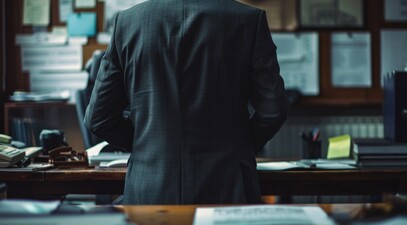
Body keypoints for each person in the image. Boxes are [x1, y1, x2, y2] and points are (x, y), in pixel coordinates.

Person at [85, 0, 288, 204]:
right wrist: (238, 145)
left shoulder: (127, 22)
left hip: (150, 187)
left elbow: (99, 118)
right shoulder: (248, 20)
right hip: (228, 184)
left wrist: (147, 141)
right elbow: (273, 112)